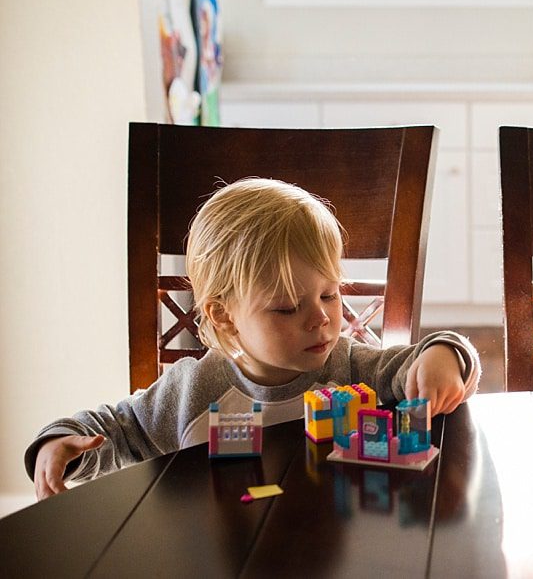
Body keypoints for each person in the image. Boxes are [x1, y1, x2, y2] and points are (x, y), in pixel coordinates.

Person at [26, 178, 481, 500]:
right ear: (225, 317)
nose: (321, 317)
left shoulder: (351, 366)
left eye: (329, 293)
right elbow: (120, 430)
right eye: (287, 308)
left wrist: (445, 356)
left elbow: (417, 364)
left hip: (341, 543)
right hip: (229, 549)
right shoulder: (193, 391)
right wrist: (61, 445)